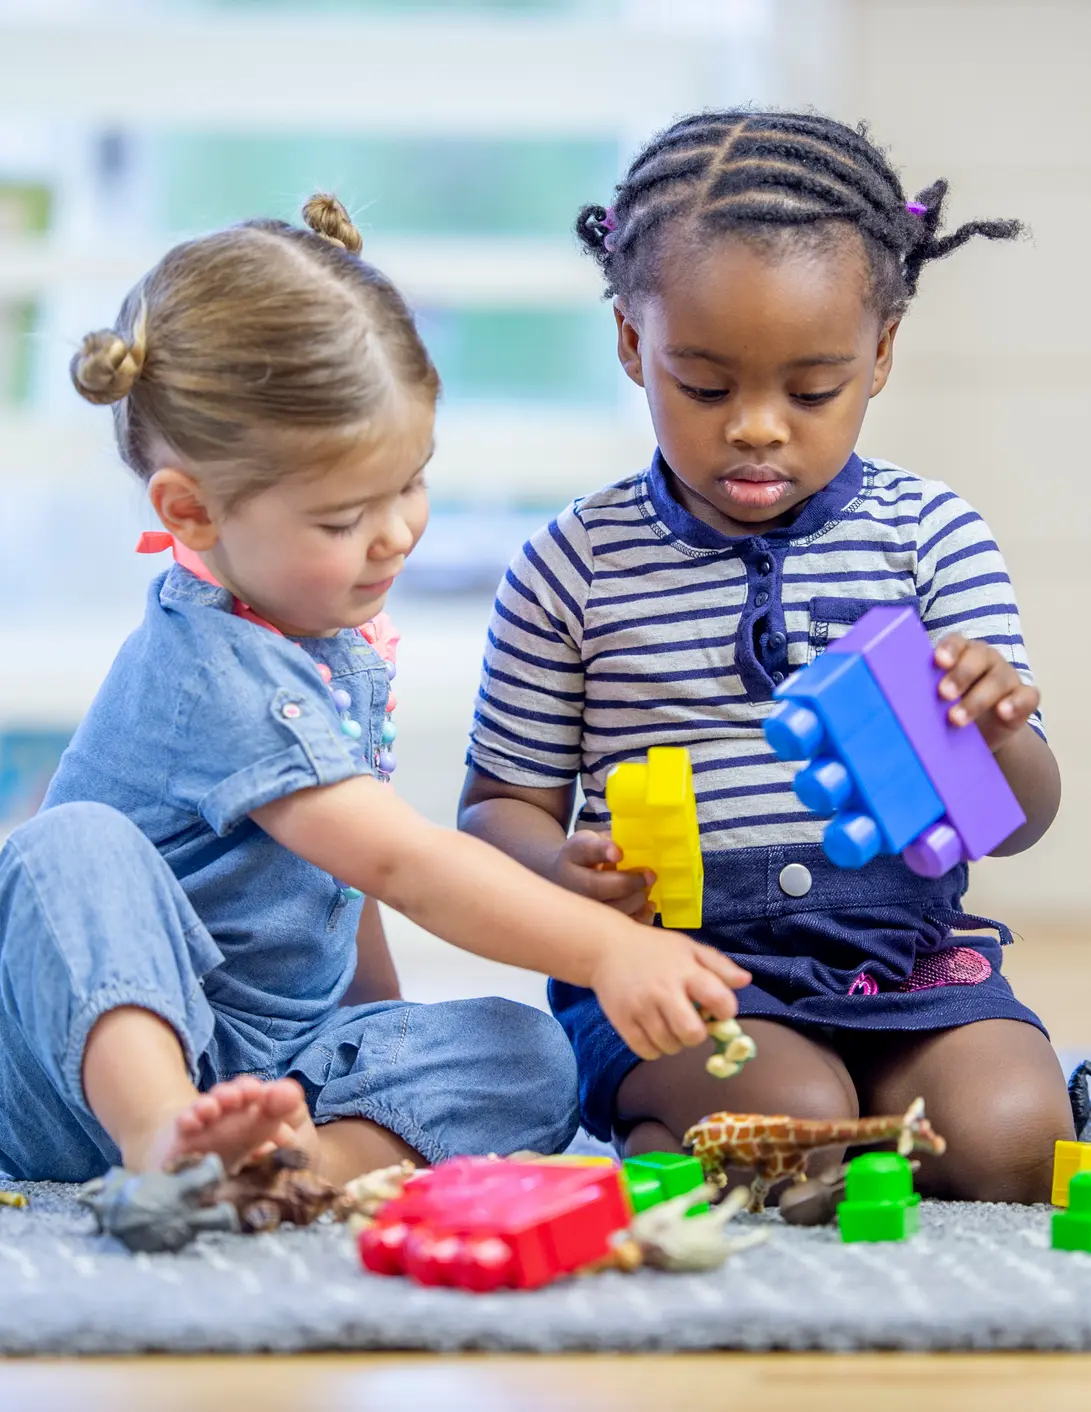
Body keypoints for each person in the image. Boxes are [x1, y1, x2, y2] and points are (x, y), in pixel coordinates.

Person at [0, 194, 748, 1185]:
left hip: (267, 1067)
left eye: (412, 481)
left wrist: (382, 1041)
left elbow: (342, 884)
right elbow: (403, 861)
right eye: (347, 513)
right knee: (68, 840)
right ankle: (164, 1141)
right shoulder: (212, 665)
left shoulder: (327, 642)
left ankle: (293, 1160)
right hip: (79, 1070)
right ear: (192, 509)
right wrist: (608, 947)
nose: (397, 531)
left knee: (534, 1056)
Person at [459, 111, 1075, 1203]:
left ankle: (858, 1114)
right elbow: (495, 810)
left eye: (808, 390)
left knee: (1014, 1139)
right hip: (680, 972)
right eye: (704, 387)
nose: (754, 427)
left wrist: (991, 735)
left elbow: (1017, 818)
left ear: (877, 354)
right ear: (629, 344)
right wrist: (566, 876)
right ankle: (696, 1117)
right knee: (790, 1126)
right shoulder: (571, 564)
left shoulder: (929, 535)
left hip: (907, 955)